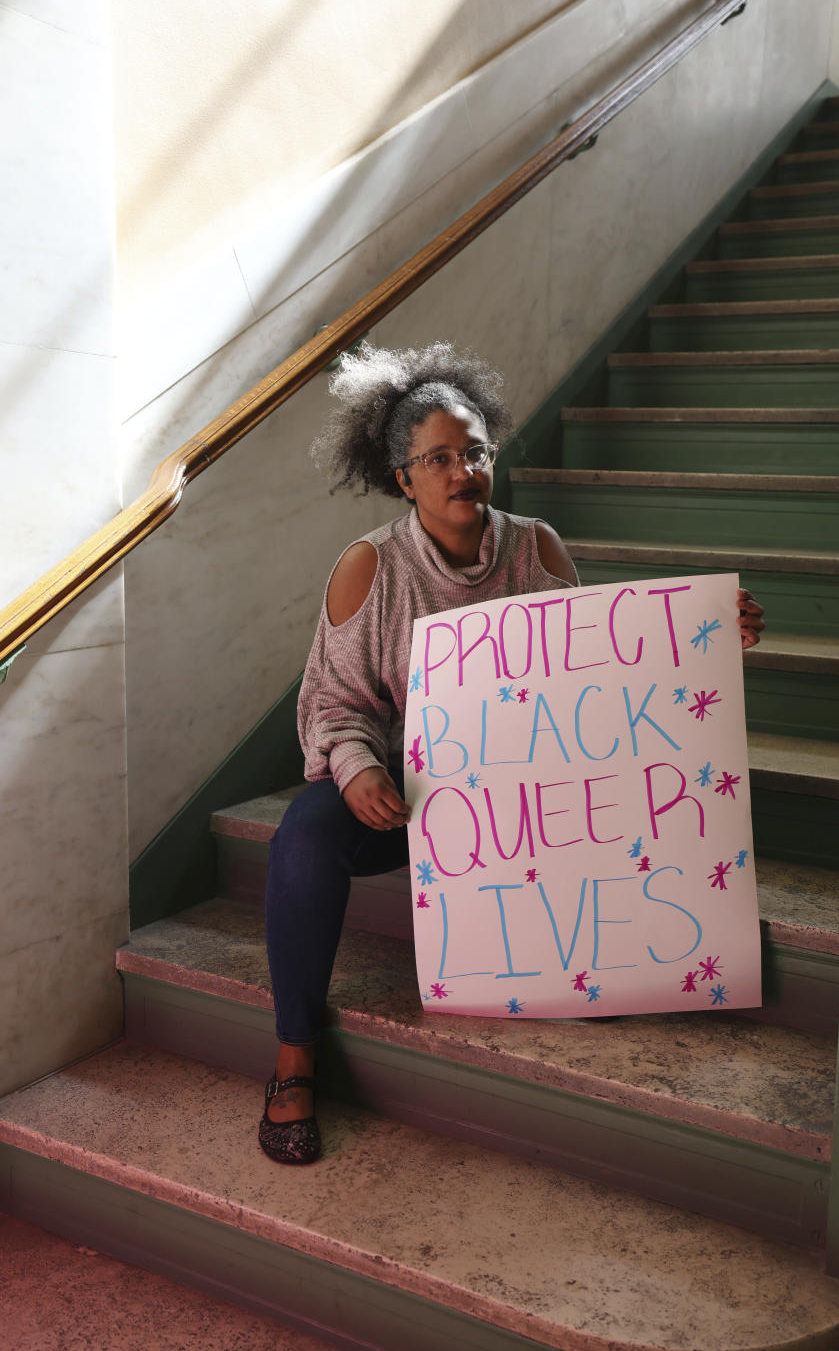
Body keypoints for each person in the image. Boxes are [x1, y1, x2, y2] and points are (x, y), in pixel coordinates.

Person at [259, 342, 765, 1164]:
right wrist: (358, 771)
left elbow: (603, 674)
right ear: (404, 477)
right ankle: (293, 1057)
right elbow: (333, 703)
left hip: (524, 812)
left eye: (476, 452)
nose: (463, 471)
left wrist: (708, 634)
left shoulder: (536, 549)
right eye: (439, 459)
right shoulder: (369, 569)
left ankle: (583, 961)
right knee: (305, 832)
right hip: (411, 801)